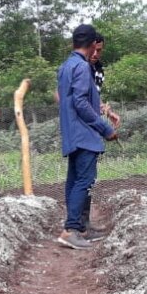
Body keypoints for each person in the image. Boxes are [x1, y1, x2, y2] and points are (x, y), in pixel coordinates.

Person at [56, 24, 118, 250]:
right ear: (92, 44)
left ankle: (78, 228)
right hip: (84, 134)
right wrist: (105, 129)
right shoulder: (82, 67)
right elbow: (81, 103)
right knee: (84, 181)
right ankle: (71, 230)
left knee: (74, 181)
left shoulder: (65, 66)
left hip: (71, 133)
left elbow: (68, 99)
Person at [80, 33, 119, 240]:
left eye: (100, 50)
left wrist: (106, 110)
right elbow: (72, 98)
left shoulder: (98, 70)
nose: (95, 53)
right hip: (82, 128)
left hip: (93, 126)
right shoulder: (78, 68)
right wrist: (104, 127)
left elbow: (93, 98)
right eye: (93, 49)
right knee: (83, 176)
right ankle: (79, 225)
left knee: (88, 176)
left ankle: (83, 222)